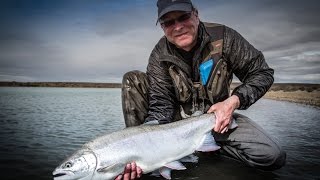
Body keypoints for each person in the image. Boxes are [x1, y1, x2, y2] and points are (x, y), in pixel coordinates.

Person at [117, 0, 286, 179]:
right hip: (176, 126)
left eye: (183, 17)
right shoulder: (159, 55)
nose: (178, 27)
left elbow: (262, 73)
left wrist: (233, 101)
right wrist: (145, 153)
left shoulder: (225, 37)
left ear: (196, 15)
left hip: (219, 120)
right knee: (132, 78)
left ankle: (207, 150)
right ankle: (141, 159)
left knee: (272, 156)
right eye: (169, 22)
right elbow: (161, 108)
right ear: (162, 26)